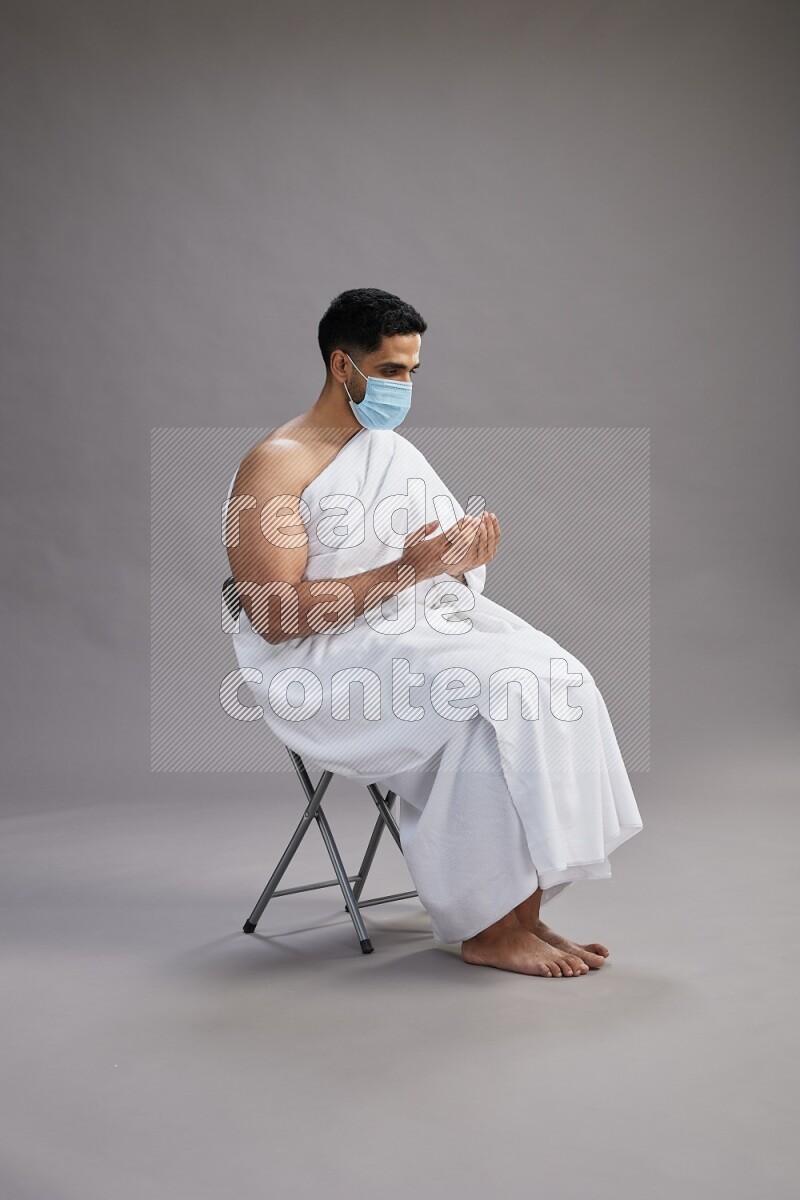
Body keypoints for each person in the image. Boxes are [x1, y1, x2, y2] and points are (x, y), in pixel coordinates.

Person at [223, 287, 643, 978]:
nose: (404, 386)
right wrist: (407, 569)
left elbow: (429, 568)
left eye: (413, 371)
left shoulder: (387, 450)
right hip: (320, 661)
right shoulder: (276, 464)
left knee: (556, 678)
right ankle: (489, 927)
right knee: (495, 696)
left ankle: (520, 914)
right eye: (390, 371)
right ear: (341, 366)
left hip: (403, 628)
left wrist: (458, 562)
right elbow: (275, 618)